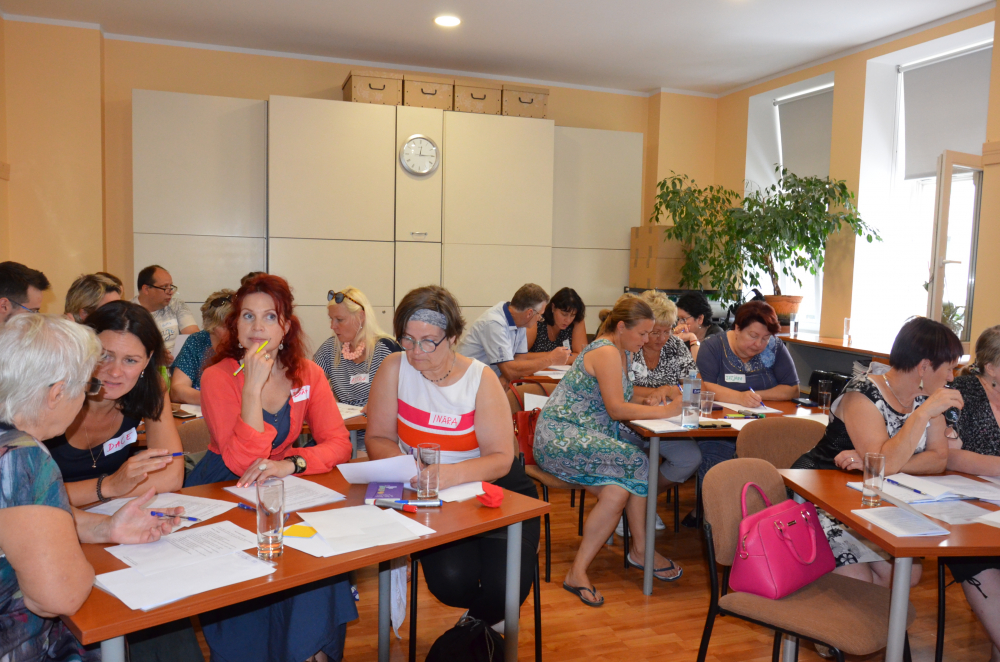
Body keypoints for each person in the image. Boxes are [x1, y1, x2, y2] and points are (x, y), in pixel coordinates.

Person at [186, 273, 356, 662]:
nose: (257, 327)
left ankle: (312, 652)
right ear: (235, 325)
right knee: (252, 580)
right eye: (247, 316)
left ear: (286, 326)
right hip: (224, 487)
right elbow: (241, 461)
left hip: (283, 484)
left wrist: (292, 463)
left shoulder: (308, 373)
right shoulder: (217, 377)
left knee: (318, 558)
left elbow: (339, 443)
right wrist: (252, 387)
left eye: (269, 317)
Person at [0, 314, 183, 662]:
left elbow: (22, 515)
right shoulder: (24, 457)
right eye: (85, 386)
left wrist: (105, 527)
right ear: (57, 393)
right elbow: (61, 597)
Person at [365, 285, 540, 632]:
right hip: (433, 495)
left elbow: (501, 459)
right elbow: (378, 438)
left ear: (454, 337)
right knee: (450, 582)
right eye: (408, 339)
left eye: (428, 341)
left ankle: (473, 631)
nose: (416, 351)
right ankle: (483, 629)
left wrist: (449, 474)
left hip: (495, 491)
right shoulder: (394, 368)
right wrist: (408, 467)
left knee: (506, 588)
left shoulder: (480, 378)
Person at [533, 296, 685, 607]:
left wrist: (655, 396)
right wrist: (667, 411)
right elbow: (616, 409)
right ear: (622, 327)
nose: (646, 340)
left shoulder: (621, 351)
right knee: (638, 461)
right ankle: (641, 550)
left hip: (582, 436)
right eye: (642, 333)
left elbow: (621, 396)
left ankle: (577, 572)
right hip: (559, 437)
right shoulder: (605, 352)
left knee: (617, 492)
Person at [792, 317, 962, 590]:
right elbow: (886, 462)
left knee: (906, 574)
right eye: (949, 368)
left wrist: (876, 463)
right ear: (924, 366)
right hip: (821, 493)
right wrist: (921, 416)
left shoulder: (927, 397)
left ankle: (862, 618)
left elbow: (938, 459)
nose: (952, 378)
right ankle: (825, 613)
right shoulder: (862, 392)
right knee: (858, 579)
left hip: (872, 497)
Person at [44, 301, 185, 507]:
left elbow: (171, 476)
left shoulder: (151, 388)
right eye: (105, 356)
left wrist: (102, 495)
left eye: (130, 360)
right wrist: (109, 487)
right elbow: (25, 497)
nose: (115, 372)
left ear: (147, 360)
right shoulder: (51, 392)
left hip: (106, 512)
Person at [938, 325, 1000, 658]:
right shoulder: (962, 391)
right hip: (966, 511)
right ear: (992, 367)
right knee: (982, 559)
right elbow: (947, 455)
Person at [620, 291, 701, 521]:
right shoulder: (629, 346)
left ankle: (641, 500)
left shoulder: (675, 346)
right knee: (635, 460)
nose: (662, 338)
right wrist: (661, 391)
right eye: (655, 332)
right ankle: (625, 507)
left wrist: (667, 390)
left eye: (667, 331)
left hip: (666, 425)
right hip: (625, 426)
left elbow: (695, 385)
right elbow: (622, 390)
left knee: (690, 458)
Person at [313, 287, 400, 450]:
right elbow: (308, 384)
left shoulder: (386, 349)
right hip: (340, 434)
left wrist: (379, 407)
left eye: (339, 319)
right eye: (331, 319)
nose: (332, 326)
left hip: (379, 437)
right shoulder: (331, 348)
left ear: (361, 317)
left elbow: (409, 393)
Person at [457, 283, 570, 384]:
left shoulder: (520, 321)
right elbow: (510, 371)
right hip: (466, 383)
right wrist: (550, 359)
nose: (539, 319)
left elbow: (520, 359)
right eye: (539, 315)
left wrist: (505, 378)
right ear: (529, 313)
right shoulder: (494, 323)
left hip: (487, 382)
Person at [170, 289, 234, 406]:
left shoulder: (245, 344)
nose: (234, 331)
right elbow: (177, 390)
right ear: (211, 325)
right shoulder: (197, 341)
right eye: (226, 326)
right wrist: (214, 400)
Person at [132, 264, 199, 358]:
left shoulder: (176, 305)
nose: (170, 292)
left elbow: (194, 337)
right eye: (164, 287)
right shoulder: (128, 313)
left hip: (178, 362)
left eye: (170, 286)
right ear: (146, 289)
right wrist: (157, 357)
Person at [525, 287, 587, 355]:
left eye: (572, 315)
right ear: (553, 307)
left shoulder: (576, 320)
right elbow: (520, 355)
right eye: (564, 314)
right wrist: (552, 357)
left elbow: (581, 356)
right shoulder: (537, 319)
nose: (568, 320)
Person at [673, 291, 724, 361]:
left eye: (683, 319)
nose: (679, 324)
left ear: (700, 319)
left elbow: (701, 364)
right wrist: (673, 339)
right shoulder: (684, 334)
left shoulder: (716, 336)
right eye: (678, 319)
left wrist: (692, 338)